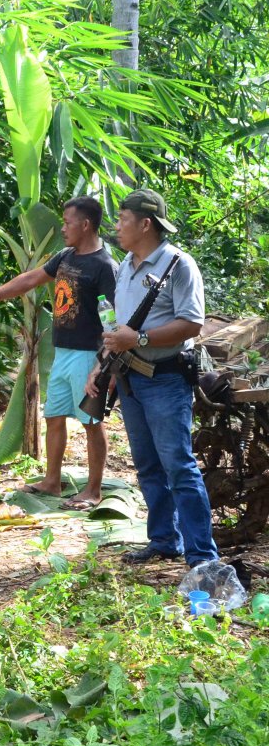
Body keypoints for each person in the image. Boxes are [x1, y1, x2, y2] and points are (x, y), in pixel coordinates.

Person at [84, 188, 219, 567]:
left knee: (178, 465)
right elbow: (118, 324)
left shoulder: (179, 265)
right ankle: (163, 539)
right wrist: (102, 365)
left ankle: (202, 557)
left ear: (145, 224)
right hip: (129, 378)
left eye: (122, 219)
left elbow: (192, 322)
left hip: (166, 378)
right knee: (146, 465)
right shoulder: (125, 264)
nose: (116, 226)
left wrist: (139, 338)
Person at [0, 197, 118, 509]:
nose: (62, 228)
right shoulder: (65, 257)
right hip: (62, 352)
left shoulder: (104, 266)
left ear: (85, 225)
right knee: (54, 417)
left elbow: (112, 318)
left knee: (91, 421)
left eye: (67, 223)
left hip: (87, 355)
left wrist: (104, 365)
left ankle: (93, 490)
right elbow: (31, 278)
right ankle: (51, 480)